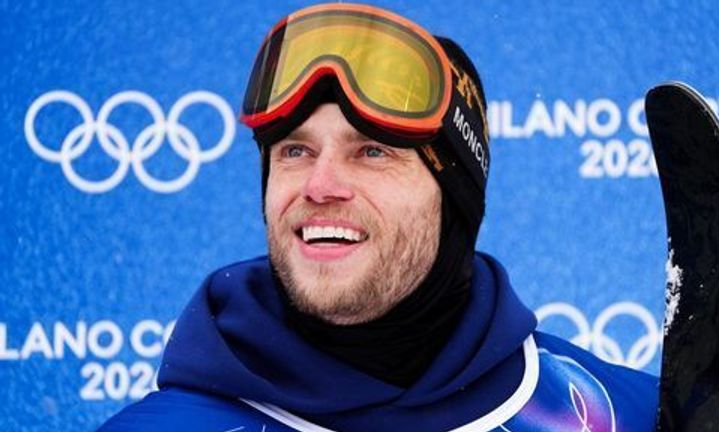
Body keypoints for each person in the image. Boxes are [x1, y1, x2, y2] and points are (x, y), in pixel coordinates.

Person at [99, 3, 658, 431]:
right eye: (295, 151)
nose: (320, 186)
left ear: (453, 199)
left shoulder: (609, 412)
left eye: (371, 152)